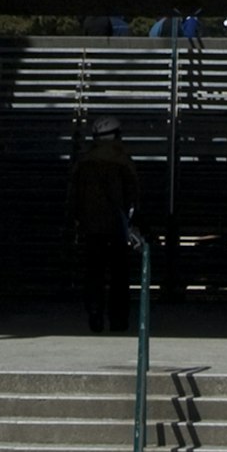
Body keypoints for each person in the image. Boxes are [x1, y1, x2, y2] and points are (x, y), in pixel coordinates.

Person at [70, 118, 141, 335]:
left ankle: (95, 314)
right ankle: (118, 320)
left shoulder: (83, 163)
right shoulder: (124, 162)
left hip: (91, 229)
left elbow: (73, 198)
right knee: (120, 276)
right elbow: (133, 198)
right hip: (117, 228)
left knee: (94, 274)